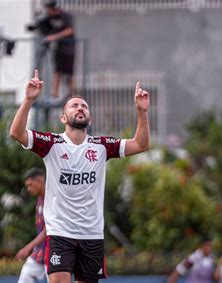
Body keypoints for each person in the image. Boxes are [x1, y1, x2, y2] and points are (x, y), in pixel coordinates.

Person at [9, 70, 150, 282]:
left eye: (84, 106)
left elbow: (140, 144)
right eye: (74, 105)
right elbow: (17, 133)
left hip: (91, 235)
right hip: (60, 233)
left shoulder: (101, 146)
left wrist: (141, 112)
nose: (80, 108)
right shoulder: (51, 144)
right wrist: (29, 100)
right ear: (64, 117)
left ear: (90, 118)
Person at [16, 168, 47, 283]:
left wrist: (27, 248)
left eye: (30, 185)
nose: (28, 189)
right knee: (25, 277)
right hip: (39, 252)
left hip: (54, 251)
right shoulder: (39, 200)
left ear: (39, 181)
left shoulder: (52, 198)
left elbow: (48, 230)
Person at [43, 0, 75, 98]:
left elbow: (70, 30)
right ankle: (54, 93)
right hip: (58, 49)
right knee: (57, 71)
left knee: (69, 73)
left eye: (49, 9)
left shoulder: (65, 16)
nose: (48, 11)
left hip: (69, 49)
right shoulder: (50, 18)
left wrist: (54, 37)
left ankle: (73, 94)